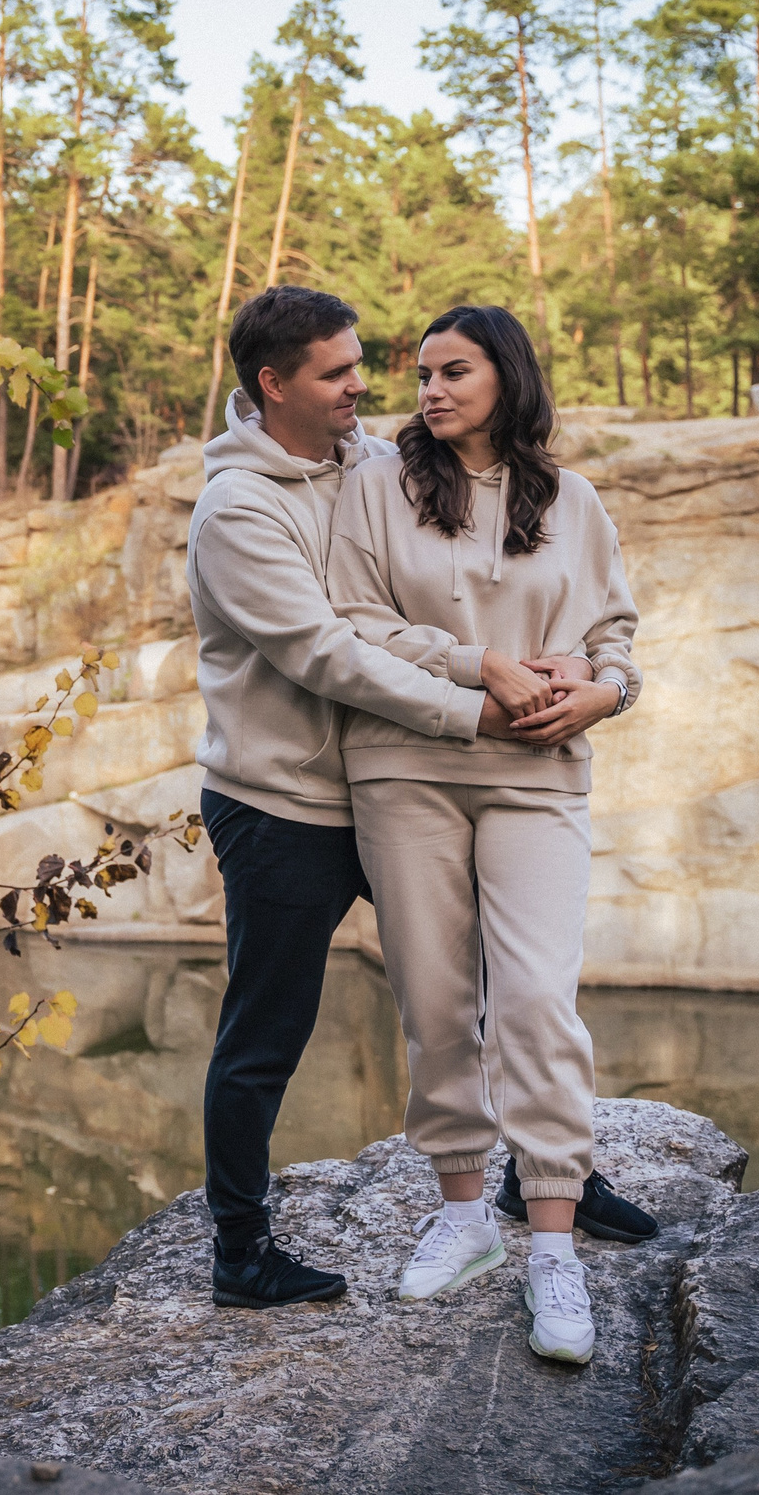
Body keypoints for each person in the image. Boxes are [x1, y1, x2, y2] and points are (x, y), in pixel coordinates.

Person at [186, 285, 531, 1309]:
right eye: (336, 372)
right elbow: (325, 652)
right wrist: (473, 706)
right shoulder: (237, 509)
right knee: (266, 1031)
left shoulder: (371, 466)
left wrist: (504, 660)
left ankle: (554, 1175)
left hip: (393, 782)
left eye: (357, 365)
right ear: (273, 383)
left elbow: (410, 595)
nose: (359, 387)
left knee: (496, 978)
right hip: (282, 803)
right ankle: (239, 1251)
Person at [326, 303, 650, 1364]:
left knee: (535, 998)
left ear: (505, 375)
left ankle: (550, 1239)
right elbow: (356, 623)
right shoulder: (374, 486)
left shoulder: (573, 499)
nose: (427, 389)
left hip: (540, 773)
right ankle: (463, 1210)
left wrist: (604, 693)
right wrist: (480, 663)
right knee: (431, 997)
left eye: (452, 370)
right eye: (420, 372)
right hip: (405, 766)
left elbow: (615, 633)